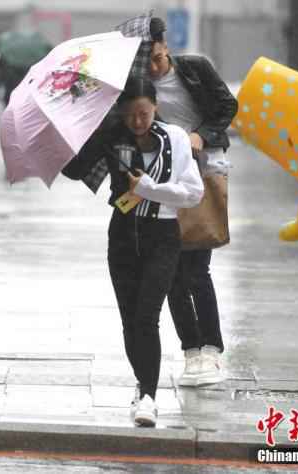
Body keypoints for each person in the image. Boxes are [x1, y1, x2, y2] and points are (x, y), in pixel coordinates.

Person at [62, 79, 203, 426]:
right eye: (130, 114)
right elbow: (73, 169)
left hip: (163, 237)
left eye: (143, 112)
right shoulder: (113, 136)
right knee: (130, 321)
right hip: (123, 235)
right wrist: (91, 127)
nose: (138, 121)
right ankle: (143, 386)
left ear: (155, 107)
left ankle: (149, 398)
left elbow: (193, 193)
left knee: (146, 316)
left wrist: (149, 188)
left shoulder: (176, 139)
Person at [143, 17, 238, 386]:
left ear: (164, 45)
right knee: (171, 275)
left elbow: (227, 106)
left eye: (154, 57)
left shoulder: (195, 68)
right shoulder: (137, 86)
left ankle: (211, 350)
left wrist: (201, 135)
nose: (151, 67)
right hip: (163, 179)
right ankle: (190, 351)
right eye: (143, 62)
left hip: (203, 171)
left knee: (196, 267)